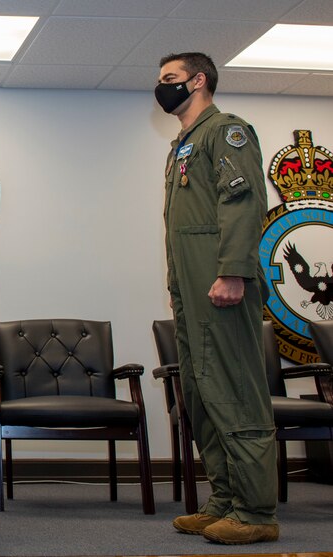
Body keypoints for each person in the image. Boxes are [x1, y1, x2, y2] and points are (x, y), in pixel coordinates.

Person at [155, 52, 278, 545]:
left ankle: (255, 511)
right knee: (202, 394)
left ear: (198, 80)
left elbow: (242, 202)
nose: (162, 87)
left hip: (222, 283)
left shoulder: (226, 131)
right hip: (192, 288)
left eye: (170, 78)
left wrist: (232, 271)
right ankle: (225, 500)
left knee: (233, 392)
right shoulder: (183, 144)